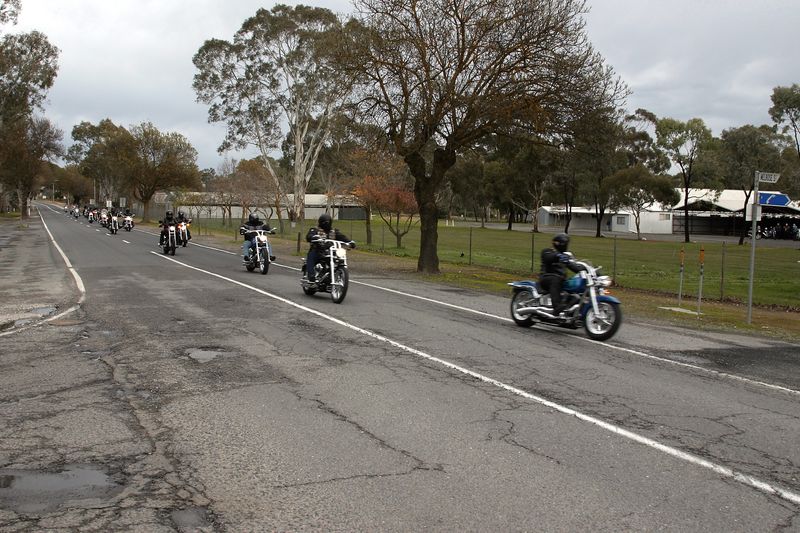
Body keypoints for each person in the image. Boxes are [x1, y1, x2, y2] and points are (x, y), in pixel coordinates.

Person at [539, 233, 585, 318]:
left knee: (576, 285)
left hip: (561, 280)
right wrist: (558, 255)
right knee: (555, 279)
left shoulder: (565, 256)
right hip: (546, 278)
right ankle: (557, 307)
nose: (566, 245)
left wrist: (588, 269)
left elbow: (574, 267)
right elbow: (548, 258)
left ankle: (572, 309)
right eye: (564, 243)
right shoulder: (547, 251)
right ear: (558, 243)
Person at [305, 213, 354, 283]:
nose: (326, 224)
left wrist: (350, 242)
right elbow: (309, 236)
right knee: (311, 257)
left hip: (330, 252)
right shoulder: (315, 230)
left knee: (338, 259)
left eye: (327, 222)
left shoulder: (333, 232)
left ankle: (332, 274)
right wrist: (313, 237)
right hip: (318, 251)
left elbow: (342, 237)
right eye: (325, 222)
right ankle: (311, 276)